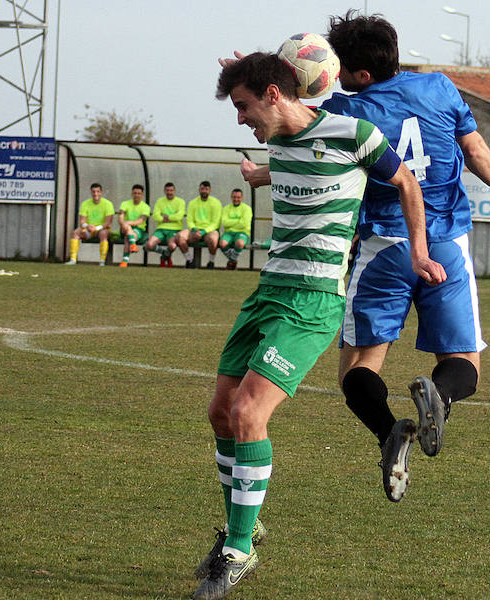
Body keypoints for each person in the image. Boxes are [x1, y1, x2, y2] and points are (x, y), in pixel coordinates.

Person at [192, 52, 444, 600]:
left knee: (247, 411)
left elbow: (405, 183)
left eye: (243, 106)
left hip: (312, 300)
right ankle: (245, 524)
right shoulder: (277, 144)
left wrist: (420, 252)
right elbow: (280, 158)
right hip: (266, 293)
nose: (239, 119)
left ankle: (238, 551)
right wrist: (253, 68)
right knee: (219, 412)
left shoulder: (354, 133)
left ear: (275, 94)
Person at [324, 11, 490, 500]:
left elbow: (297, 140)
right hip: (448, 245)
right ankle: (442, 395)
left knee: (359, 369)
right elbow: (471, 144)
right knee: (463, 361)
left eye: (339, 65)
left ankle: (391, 433)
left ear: (361, 74)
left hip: (386, 248)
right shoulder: (439, 86)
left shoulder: (346, 110)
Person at [66, 183, 115, 266]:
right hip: (89, 230)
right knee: (76, 232)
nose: (95, 194)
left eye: (97, 191)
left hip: (101, 229)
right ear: (91, 193)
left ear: (101, 193)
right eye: (93, 192)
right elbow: (82, 222)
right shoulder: (85, 204)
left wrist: (96, 228)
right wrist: (87, 226)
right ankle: (73, 259)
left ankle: (102, 261)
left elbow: (108, 223)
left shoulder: (108, 204)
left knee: (104, 233)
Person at [177, 181, 222, 269]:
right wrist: (194, 229)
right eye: (202, 189)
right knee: (180, 237)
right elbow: (189, 220)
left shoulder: (216, 203)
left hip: (209, 230)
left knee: (213, 239)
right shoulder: (192, 203)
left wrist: (204, 231)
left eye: (206, 189)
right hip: (195, 230)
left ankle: (211, 262)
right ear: (199, 190)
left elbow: (215, 222)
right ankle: (190, 260)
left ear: (210, 190)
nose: (204, 191)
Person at [145, 182, 184, 267]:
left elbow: (179, 216)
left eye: (171, 190)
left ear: (174, 191)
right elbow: (155, 216)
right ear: (164, 191)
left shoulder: (180, 202)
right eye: (167, 190)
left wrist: (166, 217)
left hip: (175, 229)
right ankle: (165, 254)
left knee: (172, 246)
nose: (169, 192)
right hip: (161, 229)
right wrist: (170, 217)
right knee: (149, 245)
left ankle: (164, 257)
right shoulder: (160, 201)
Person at [116, 184, 151, 268]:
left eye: (139, 193)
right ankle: (133, 245)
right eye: (135, 193)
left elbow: (140, 221)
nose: (136, 195)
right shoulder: (125, 204)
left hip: (138, 230)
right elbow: (120, 218)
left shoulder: (146, 207)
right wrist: (124, 224)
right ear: (132, 194)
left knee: (128, 237)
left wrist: (127, 223)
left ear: (142, 195)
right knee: (127, 229)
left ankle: (124, 262)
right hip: (124, 228)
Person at [218, 188, 252, 270]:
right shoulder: (226, 208)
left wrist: (231, 223)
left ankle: (231, 262)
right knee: (222, 243)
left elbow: (244, 224)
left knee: (240, 243)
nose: (236, 199)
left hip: (242, 232)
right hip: (229, 233)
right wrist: (238, 221)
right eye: (234, 197)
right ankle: (233, 260)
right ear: (231, 197)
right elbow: (225, 223)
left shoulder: (247, 208)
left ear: (242, 198)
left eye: (238, 197)